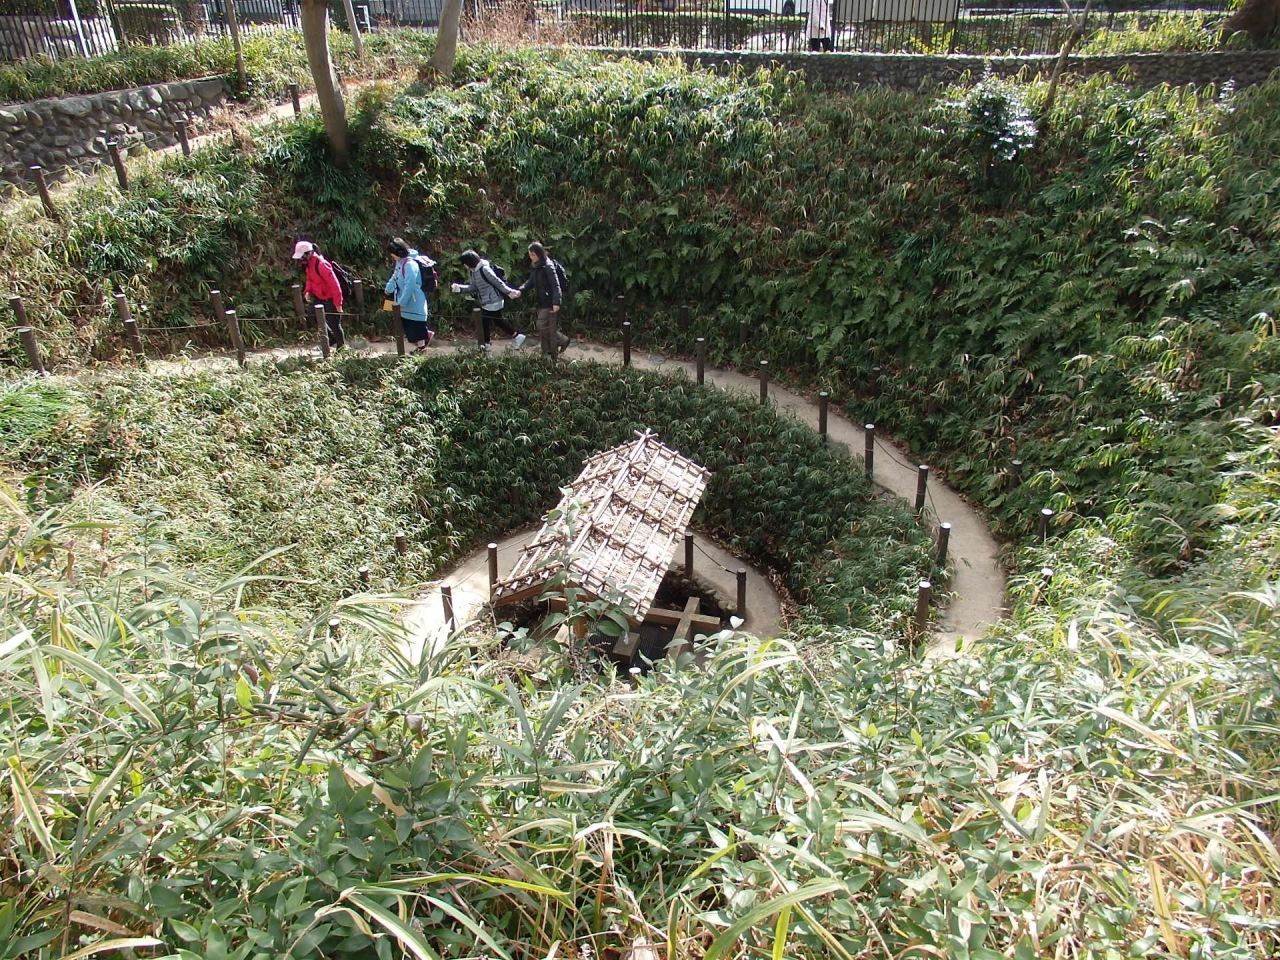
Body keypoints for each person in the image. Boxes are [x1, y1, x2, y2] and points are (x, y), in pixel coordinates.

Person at [451, 250, 527, 352]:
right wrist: (460, 288)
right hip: (487, 301)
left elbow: (497, 282)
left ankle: (486, 344)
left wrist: (509, 292)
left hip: (493, 300)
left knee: (485, 321)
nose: (464, 265)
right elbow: (473, 287)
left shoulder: (484, 269)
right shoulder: (473, 272)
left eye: (464, 263)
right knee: (497, 321)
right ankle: (516, 336)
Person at [516, 241, 569, 355]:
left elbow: (555, 285)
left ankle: (562, 340)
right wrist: (520, 290)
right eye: (530, 255)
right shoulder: (536, 266)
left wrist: (556, 302)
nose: (531, 257)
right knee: (546, 327)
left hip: (549, 301)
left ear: (539, 254)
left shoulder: (548, 266)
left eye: (533, 255)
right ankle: (547, 353)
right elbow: (531, 281)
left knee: (541, 325)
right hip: (541, 300)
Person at [292, 239, 345, 350]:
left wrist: (338, 303)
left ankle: (341, 347)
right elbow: (310, 279)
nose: (301, 260)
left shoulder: (321, 264)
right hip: (319, 297)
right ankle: (331, 339)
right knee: (313, 317)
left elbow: (335, 285)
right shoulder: (308, 264)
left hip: (330, 298)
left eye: (302, 257)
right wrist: (307, 291)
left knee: (334, 324)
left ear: (309, 253)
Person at [384, 237, 433, 353]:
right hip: (405, 300)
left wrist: (402, 303)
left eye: (392, 253)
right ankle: (425, 339)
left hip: (414, 301)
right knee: (409, 325)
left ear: (399, 252)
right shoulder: (400, 262)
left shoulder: (410, 264)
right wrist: (388, 288)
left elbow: (409, 286)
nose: (391, 256)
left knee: (416, 325)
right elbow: (395, 276)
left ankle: (421, 347)